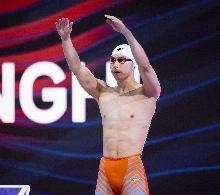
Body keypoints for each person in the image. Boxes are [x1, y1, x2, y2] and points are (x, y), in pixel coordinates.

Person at [55, 14, 161, 195]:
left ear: (133, 65)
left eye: (121, 60)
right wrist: (66, 39)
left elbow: (146, 67)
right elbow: (78, 69)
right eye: (112, 60)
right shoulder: (104, 92)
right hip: (105, 169)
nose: (115, 65)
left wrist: (126, 32)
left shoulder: (147, 94)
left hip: (131, 168)